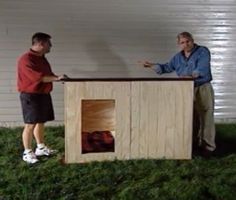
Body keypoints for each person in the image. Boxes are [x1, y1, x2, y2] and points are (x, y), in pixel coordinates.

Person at [141, 31, 216, 157]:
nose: (186, 44)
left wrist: (191, 76)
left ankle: (208, 147)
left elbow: (202, 68)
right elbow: (167, 67)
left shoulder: (202, 51)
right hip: (186, 89)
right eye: (182, 42)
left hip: (202, 87)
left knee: (206, 116)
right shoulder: (177, 57)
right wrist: (152, 66)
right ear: (179, 44)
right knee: (191, 117)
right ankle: (193, 144)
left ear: (192, 40)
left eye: (188, 41)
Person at [17, 32, 67, 164]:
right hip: (31, 95)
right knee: (30, 124)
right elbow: (38, 78)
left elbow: (47, 74)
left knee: (40, 121)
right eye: (49, 44)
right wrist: (57, 78)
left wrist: (57, 77)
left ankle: (40, 147)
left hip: (42, 94)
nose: (51, 46)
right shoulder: (26, 59)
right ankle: (27, 152)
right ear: (41, 44)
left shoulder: (42, 58)